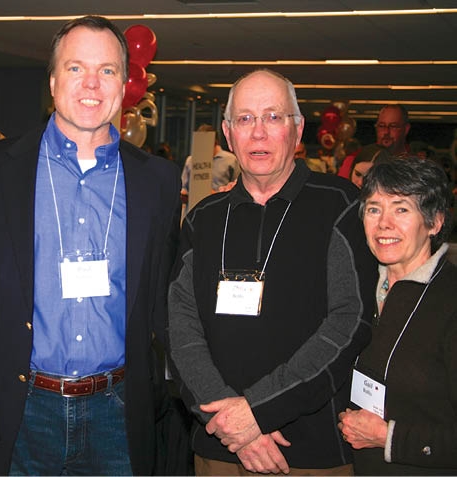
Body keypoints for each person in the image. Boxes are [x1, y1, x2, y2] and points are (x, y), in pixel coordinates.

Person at [0, 15, 182, 476]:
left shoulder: (159, 182)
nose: (91, 83)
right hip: (22, 407)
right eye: (75, 68)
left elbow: (164, 301)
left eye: (106, 70)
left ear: (125, 84)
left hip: (119, 410)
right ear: (52, 80)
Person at [168, 69, 377, 475]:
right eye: (245, 119)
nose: (258, 133)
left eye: (273, 117)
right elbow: (180, 327)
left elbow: (349, 324)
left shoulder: (340, 206)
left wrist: (260, 411)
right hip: (220, 447)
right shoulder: (203, 219)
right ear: (228, 134)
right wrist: (235, 425)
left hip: (310, 452)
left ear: (296, 131)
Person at [338, 155, 457, 475]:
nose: (384, 224)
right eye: (374, 209)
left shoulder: (449, 301)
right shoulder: (357, 286)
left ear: (434, 222)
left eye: (401, 209)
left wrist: (388, 437)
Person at [180, 124, 240, 197]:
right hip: (193, 205)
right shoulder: (190, 160)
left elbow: (238, 187)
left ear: (215, 142)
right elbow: (183, 187)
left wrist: (214, 194)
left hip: (219, 205)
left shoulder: (230, 160)